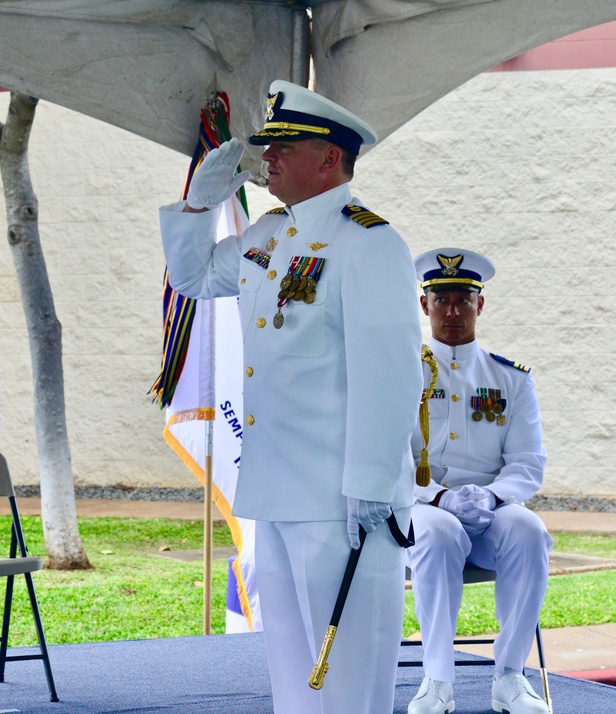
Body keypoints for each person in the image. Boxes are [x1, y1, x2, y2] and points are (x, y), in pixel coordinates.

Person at [159, 80, 422, 713]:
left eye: (284, 146)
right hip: (275, 489)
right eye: (267, 146)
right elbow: (193, 277)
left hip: (340, 498)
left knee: (349, 676)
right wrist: (196, 206)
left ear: (329, 158)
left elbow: (389, 375)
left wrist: (369, 484)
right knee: (293, 674)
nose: (267, 158)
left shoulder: (369, 244)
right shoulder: (265, 238)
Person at [407, 248, 552, 714]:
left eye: (463, 300)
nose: (453, 311)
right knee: (440, 530)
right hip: (422, 509)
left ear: (480, 305)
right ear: (424, 305)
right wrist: (440, 497)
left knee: (530, 530)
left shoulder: (510, 379)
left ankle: (510, 676)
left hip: (492, 510)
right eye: (442, 299)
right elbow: (387, 457)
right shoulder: (402, 373)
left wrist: (491, 494)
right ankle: (437, 681)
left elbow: (528, 462)